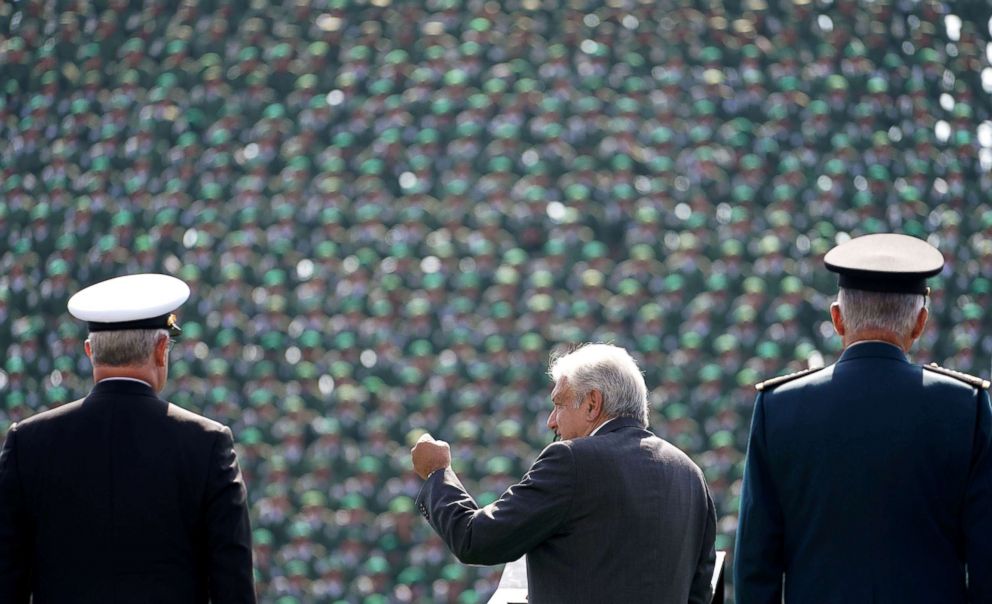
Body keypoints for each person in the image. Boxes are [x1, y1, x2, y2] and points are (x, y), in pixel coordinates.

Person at [735, 233, 992, 603]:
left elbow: (756, 568)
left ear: (837, 319)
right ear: (920, 323)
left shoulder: (780, 407)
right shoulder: (965, 406)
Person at [0, 273, 256, 603]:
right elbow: (233, 588)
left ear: (90, 351)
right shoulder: (207, 443)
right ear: (162, 349)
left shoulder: (28, 444)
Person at [411, 343, 716, 603]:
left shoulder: (572, 460)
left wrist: (438, 474)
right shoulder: (691, 476)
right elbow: (701, 595)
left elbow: (476, 539)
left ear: (592, 404)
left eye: (559, 405)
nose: (551, 422)